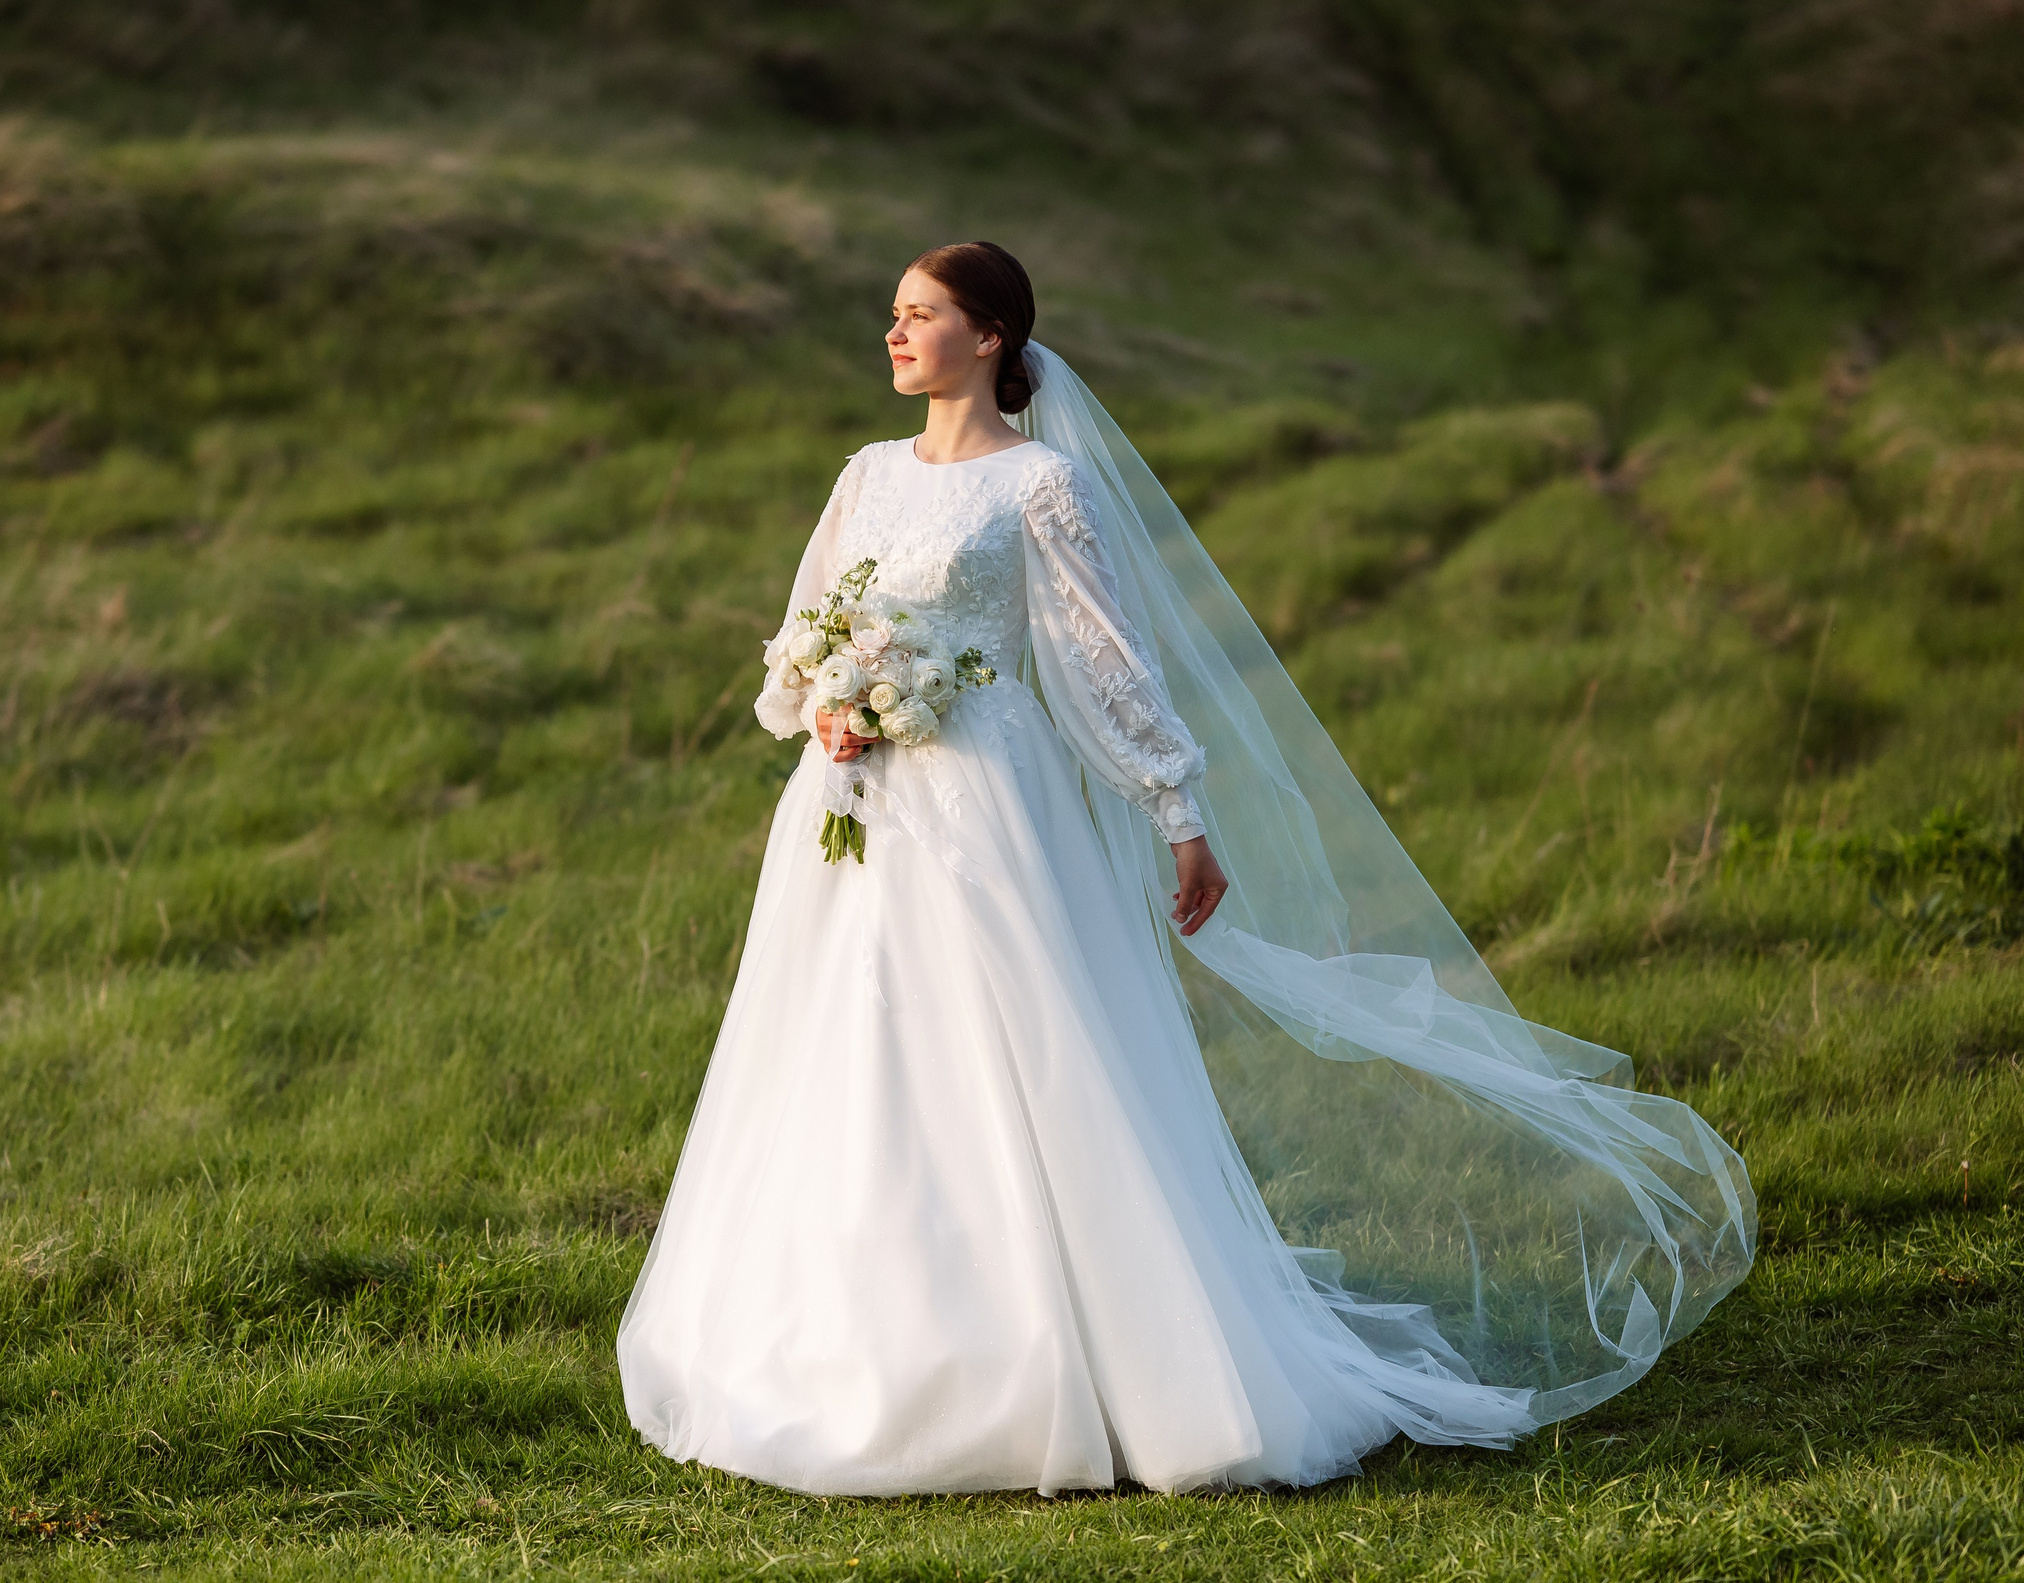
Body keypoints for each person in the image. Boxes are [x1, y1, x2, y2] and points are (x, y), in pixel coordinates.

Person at [616, 242, 1755, 1496]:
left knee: (1015, 1050)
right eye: (891, 315)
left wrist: (1177, 809)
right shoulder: (865, 475)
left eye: (920, 315)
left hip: (990, 799)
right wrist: (823, 702)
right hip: (853, 800)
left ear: (989, 336)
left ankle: (1060, 1351)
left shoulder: (1039, 485)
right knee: (847, 1042)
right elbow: (802, 626)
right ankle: (845, 1337)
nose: (893, 334)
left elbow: (1104, 661)